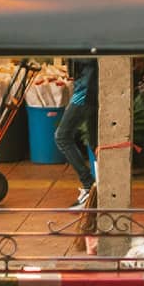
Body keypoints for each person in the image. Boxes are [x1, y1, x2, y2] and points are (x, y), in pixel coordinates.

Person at [55, 58, 98, 206]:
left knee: (62, 136)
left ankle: (89, 185)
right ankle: (99, 191)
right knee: (95, 142)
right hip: (91, 86)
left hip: (86, 89)